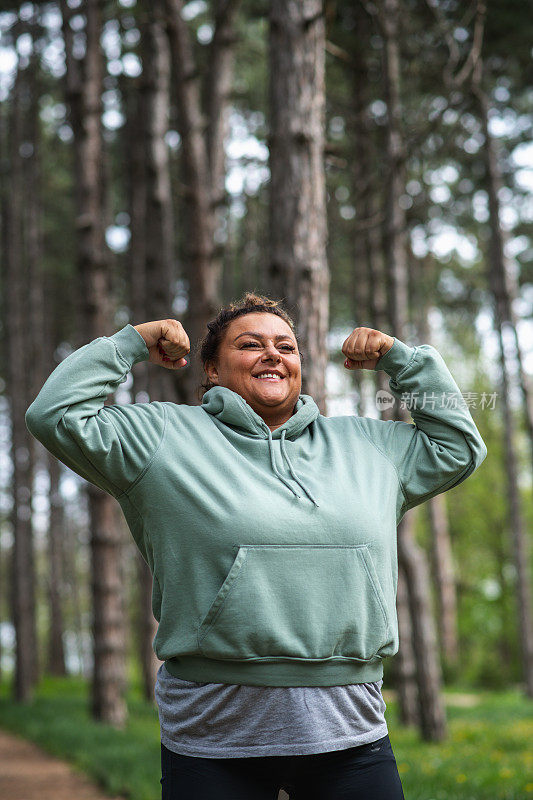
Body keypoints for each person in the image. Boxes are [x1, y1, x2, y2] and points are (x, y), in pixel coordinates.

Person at [25, 292, 487, 799]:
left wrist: (404, 361)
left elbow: (459, 447)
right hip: (213, 728)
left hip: (349, 725)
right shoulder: (161, 436)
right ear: (213, 370)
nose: (273, 354)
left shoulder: (368, 445)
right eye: (250, 345)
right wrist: (128, 345)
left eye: (286, 346)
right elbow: (54, 414)